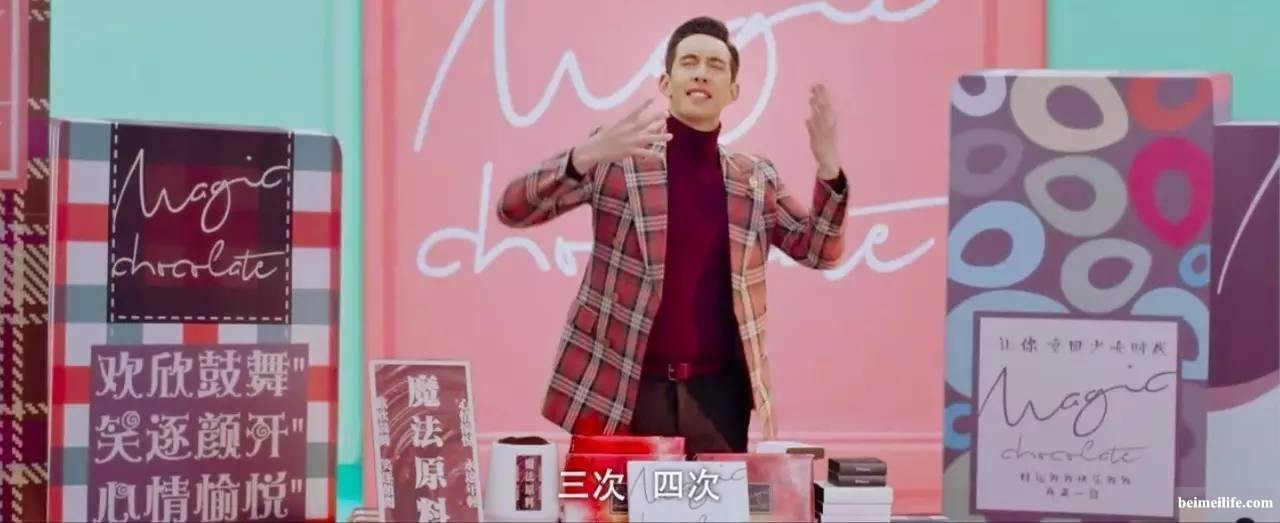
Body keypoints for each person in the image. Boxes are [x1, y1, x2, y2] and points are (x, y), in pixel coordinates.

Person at [497, 16, 848, 454]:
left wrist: (829, 167)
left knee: (714, 498)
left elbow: (820, 250)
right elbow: (513, 209)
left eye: (716, 65)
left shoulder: (754, 178)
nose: (701, 73)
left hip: (718, 400)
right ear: (666, 82)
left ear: (733, 91)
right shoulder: (619, 157)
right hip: (620, 390)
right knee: (610, 500)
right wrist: (583, 157)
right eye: (689, 62)